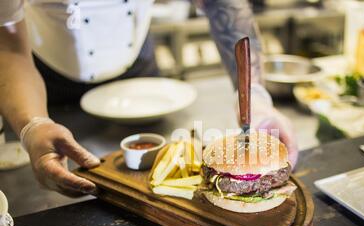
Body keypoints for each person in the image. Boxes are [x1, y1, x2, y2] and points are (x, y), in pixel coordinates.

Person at [0, 0, 298, 197]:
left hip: (138, 68)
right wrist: (33, 125)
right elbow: (8, 43)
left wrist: (255, 96)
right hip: (46, 82)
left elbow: (224, 5)